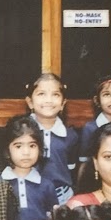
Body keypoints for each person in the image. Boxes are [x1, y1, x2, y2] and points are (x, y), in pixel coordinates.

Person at [25, 72, 80, 205]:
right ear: (30, 102)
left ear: (63, 103)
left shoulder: (70, 135)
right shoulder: (22, 133)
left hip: (62, 196)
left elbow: (71, 169)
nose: (48, 100)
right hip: (29, 194)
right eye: (41, 94)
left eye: (55, 94)